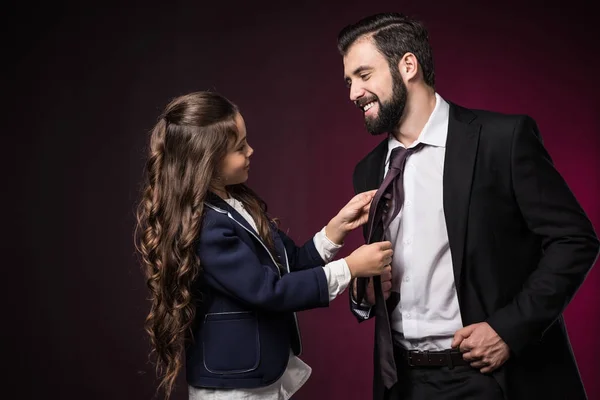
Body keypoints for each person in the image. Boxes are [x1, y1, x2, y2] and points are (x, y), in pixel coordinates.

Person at [339, 12, 600, 400]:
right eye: (348, 81)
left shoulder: (502, 140)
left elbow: (574, 240)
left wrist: (508, 330)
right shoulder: (369, 170)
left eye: (363, 75)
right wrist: (364, 295)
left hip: (495, 380)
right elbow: (386, 278)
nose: (353, 93)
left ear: (407, 66)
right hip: (403, 383)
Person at [135, 91, 393, 400]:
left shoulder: (236, 203)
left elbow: (291, 262)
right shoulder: (207, 227)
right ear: (207, 160)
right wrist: (349, 268)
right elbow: (270, 291)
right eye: (239, 147)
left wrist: (335, 229)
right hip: (232, 387)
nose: (251, 151)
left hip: (258, 377)